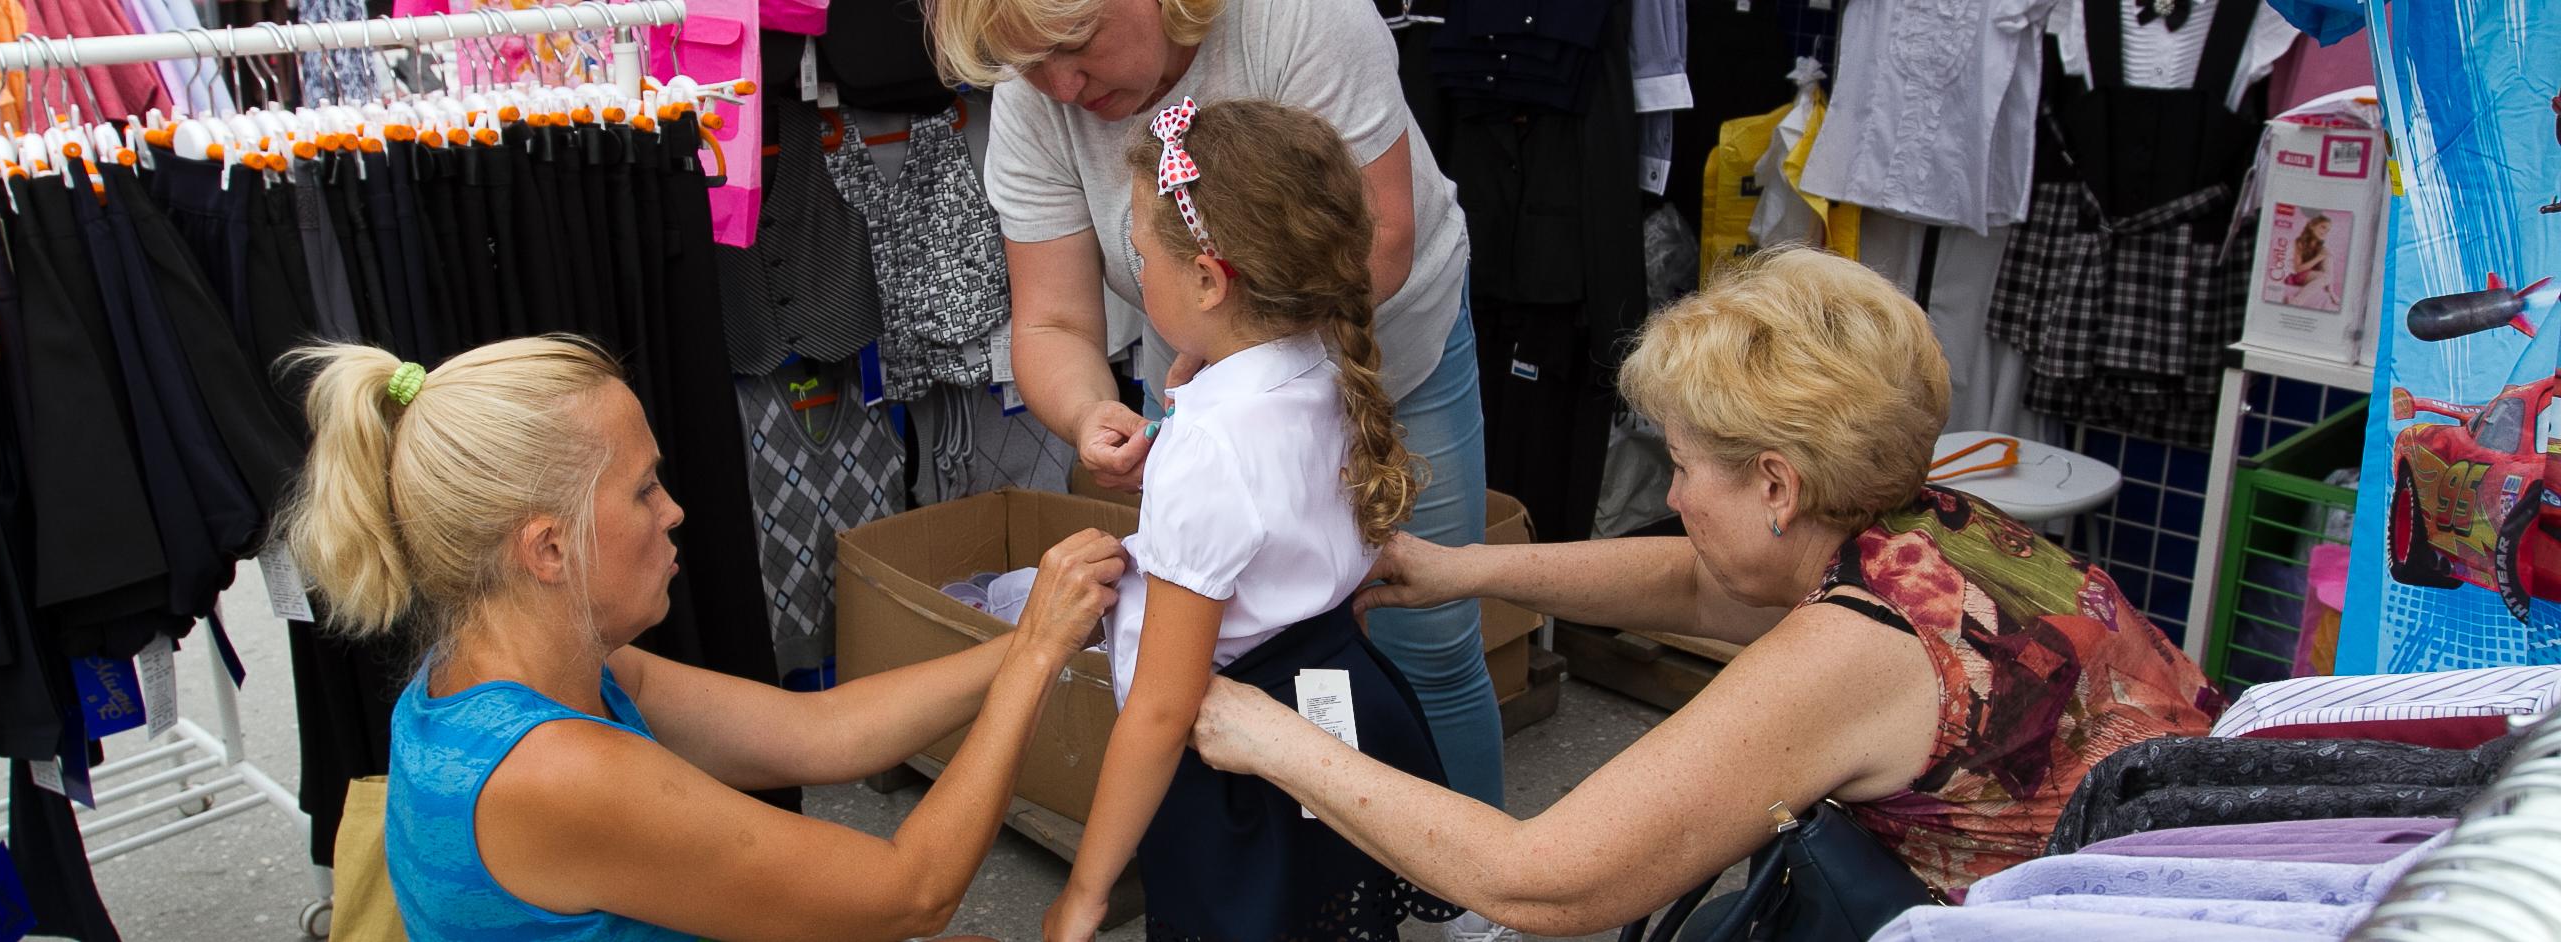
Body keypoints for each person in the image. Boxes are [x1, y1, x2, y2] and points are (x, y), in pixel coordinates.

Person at [1186, 248, 2227, 936]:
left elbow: (1542, 877)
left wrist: (1263, 734)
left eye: (1682, 466)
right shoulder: (1942, 528)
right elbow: (1699, 586)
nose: (1671, 495)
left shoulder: (1854, 655)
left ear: (1776, 483)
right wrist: (1459, 570)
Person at [925, 8, 1514, 914]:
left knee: (1434, 644)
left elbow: (1166, 702)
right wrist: (1092, 412)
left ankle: (1490, 903)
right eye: (1026, 68)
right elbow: (1049, 319)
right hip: (1251, 355)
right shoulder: (1275, 400)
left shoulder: (1303, 21)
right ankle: (1458, 893)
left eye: (1074, 52)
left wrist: (1085, 894)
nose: (1061, 91)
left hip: (1336, 339)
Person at [275, 336, 1127, 942]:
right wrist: (1040, 656)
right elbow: (911, 892)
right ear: (548, 547)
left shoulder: (508, 677)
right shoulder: (552, 771)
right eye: (644, 490)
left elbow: (818, 731)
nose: (674, 510)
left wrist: (1029, 641)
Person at [1030, 97, 1456, 942]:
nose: (1136, 269)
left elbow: (1161, 707)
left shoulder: (1213, 451)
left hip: (1240, 750)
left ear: (1209, 281)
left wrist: (1086, 892)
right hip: (1339, 701)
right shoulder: (1322, 365)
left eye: (1141, 254)